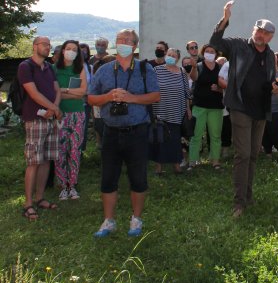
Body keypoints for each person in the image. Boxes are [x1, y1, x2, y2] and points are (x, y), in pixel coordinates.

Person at [88, 29, 160, 238]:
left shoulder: (145, 69)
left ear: (135, 46)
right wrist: (109, 96)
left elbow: (156, 96)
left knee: (138, 177)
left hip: (137, 131)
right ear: (115, 43)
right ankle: (108, 221)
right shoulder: (104, 70)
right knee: (108, 178)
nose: (125, 43)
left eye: (129, 41)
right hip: (110, 131)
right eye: (121, 40)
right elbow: (91, 98)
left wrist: (131, 98)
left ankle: (136, 219)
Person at [209, 1, 277, 217]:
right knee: (243, 154)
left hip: (261, 109)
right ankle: (238, 202)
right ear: (253, 31)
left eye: (266, 33)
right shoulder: (238, 46)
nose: (261, 35)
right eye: (258, 30)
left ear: (270, 37)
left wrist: (273, 86)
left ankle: (248, 196)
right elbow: (214, 41)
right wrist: (225, 18)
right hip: (240, 107)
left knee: (254, 155)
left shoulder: (269, 54)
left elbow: (268, 78)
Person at [18, 36, 62, 220]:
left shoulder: (50, 67)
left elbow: (57, 90)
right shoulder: (25, 66)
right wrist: (54, 108)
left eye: (49, 45)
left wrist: (55, 107)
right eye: (44, 44)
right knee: (34, 161)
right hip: (35, 119)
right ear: (35, 46)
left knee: (46, 160)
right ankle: (28, 204)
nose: (48, 47)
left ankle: (40, 197)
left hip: (50, 119)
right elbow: (33, 93)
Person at [54, 40, 87, 200]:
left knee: (75, 150)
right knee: (61, 150)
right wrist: (68, 92)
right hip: (60, 114)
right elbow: (53, 94)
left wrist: (63, 90)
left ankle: (72, 185)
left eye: (74, 50)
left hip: (78, 114)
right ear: (62, 51)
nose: (71, 52)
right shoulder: (54, 69)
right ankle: (62, 185)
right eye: (68, 49)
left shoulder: (79, 69)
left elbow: (82, 93)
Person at [150, 48, 190, 175]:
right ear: (165, 55)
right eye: (169, 54)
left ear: (177, 59)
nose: (171, 57)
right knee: (159, 138)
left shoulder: (182, 71)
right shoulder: (156, 70)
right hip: (160, 109)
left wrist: (188, 108)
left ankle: (176, 165)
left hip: (177, 110)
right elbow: (151, 89)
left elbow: (186, 92)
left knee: (175, 139)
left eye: (174, 55)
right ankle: (158, 167)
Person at [188, 44, 225, 170]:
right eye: (207, 51)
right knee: (195, 135)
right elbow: (194, 78)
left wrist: (219, 88)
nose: (209, 53)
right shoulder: (198, 66)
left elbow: (226, 86)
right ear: (203, 53)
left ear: (216, 54)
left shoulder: (220, 68)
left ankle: (215, 161)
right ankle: (193, 161)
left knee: (215, 135)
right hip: (199, 106)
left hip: (216, 106)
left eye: (212, 51)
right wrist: (193, 67)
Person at [262, 51, 278, 160]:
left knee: (277, 131)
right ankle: (268, 152)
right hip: (265, 108)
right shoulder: (262, 74)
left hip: (277, 108)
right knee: (265, 131)